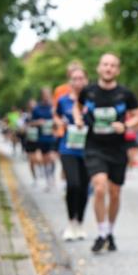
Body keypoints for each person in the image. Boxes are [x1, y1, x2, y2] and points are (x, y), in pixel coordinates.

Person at [73, 53, 138, 253]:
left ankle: (110, 231)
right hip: (94, 146)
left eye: (112, 65)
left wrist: (126, 125)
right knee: (99, 187)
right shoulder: (88, 91)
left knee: (115, 192)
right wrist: (78, 119)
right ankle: (102, 233)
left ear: (117, 70)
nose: (108, 68)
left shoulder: (125, 94)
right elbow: (78, 106)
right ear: (99, 68)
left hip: (118, 148)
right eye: (105, 64)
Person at [54, 66, 90, 240]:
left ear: (86, 80)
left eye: (81, 78)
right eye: (74, 79)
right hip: (68, 147)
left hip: (88, 149)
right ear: (70, 82)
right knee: (73, 184)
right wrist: (59, 122)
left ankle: (80, 223)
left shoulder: (92, 100)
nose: (78, 82)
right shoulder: (63, 101)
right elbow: (56, 115)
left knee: (84, 187)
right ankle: (70, 223)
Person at [29, 87, 58, 191]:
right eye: (45, 95)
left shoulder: (54, 107)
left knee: (52, 157)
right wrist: (38, 122)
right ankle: (48, 180)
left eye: (48, 94)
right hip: (42, 138)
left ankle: (52, 176)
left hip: (52, 137)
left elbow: (58, 120)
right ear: (42, 96)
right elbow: (31, 123)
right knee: (45, 159)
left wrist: (55, 125)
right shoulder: (37, 108)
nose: (46, 97)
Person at [23, 98, 40, 186]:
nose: (33, 107)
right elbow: (23, 128)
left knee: (38, 158)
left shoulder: (40, 114)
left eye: (34, 105)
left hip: (39, 140)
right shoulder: (26, 116)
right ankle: (35, 178)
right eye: (31, 105)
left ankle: (41, 173)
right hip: (29, 141)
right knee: (31, 161)